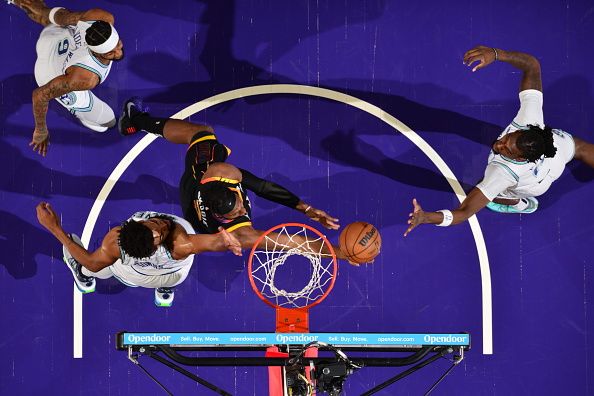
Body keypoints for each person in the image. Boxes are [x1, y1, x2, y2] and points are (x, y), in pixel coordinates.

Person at [117, 98, 352, 262]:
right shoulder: (239, 233)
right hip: (196, 218)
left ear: (227, 186)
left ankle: (136, 121)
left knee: (200, 133)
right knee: (204, 132)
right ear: (222, 217)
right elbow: (294, 243)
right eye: (237, 209)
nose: (242, 207)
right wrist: (340, 253)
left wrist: (306, 208)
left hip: (196, 179)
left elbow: (262, 187)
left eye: (238, 202)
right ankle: (135, 120)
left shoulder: (220, 172)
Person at [405, 45, 594, 235]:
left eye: (506, 150)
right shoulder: (530, 120)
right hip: (557, 153)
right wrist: (496, 54)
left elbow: (464, 212)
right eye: (507, 138)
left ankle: (519, 204)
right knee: (579, 148)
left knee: (495, 194)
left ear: (520, 158)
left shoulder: (501, 174)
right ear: (525, 130)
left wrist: (427, 217)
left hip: (534, 187)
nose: (499, 144)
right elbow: (531, 65)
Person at [35, 202, 242, 307]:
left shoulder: (116, 240)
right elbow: (211, 242)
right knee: (176, 275)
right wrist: (226, 240)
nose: (160, 225)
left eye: (155, 225)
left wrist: (55, 228)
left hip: (134, 272)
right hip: (172, 273)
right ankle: (164, 290)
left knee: (95, 268)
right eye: (157, 232)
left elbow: (92, 262)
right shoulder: (181, 244)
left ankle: (83, 275)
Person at [11, 0, 124, 156]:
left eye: (118, 45)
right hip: (48, 72)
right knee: (108, 121)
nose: (118, 53)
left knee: (50, 19)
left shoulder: (98, 17)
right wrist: (41, 130)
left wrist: (39, 8)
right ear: (96, 53)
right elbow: (40, 95)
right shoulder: (85, 78)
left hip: (52, 38)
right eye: (110, 53)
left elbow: (58, 16)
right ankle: (80, 111)